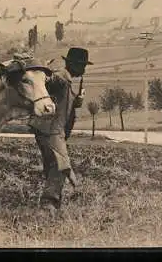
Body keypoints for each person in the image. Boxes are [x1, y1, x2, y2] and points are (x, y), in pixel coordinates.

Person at [28, 47, 93, 212]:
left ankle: (53, 201)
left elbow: (61, 103)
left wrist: (77, 101)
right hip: (51, 130)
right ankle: (48, 204)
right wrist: (44, 72)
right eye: (82, 65)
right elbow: (48, 83)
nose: (84, 69)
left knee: (53, 164)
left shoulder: (67, 81)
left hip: (49, 129)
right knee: (60, 165)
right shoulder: (61, 77)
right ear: (73, 65)